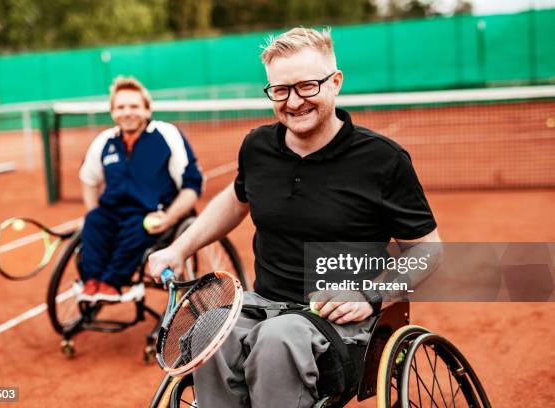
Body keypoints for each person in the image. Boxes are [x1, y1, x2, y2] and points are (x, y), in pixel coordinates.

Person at [149, 27, 440, 407]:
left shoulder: (383, 160)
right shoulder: (258, 147)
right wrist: (177, 248)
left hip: (341, 318)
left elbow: (429, 251)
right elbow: (238, 199)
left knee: (277, 340)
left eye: (307, 86)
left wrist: (371, 295)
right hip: (263, 303)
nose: (294, 101)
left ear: (335, 83)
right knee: (210, 330)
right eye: (280, 90)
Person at [78, 76, 203, 303]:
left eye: (134, 106)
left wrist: (169, 218)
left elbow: (192, 185)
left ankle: (112, 284)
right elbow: (88, 178)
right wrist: (92, 210)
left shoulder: (166, 135)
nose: (127, 112)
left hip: (152, 214)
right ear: (113, 112)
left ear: (147, 110)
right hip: (114, 212)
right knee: (94, 220)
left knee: (138, 226)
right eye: (120, 107)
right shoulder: (105, 141)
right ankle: (92, 282)